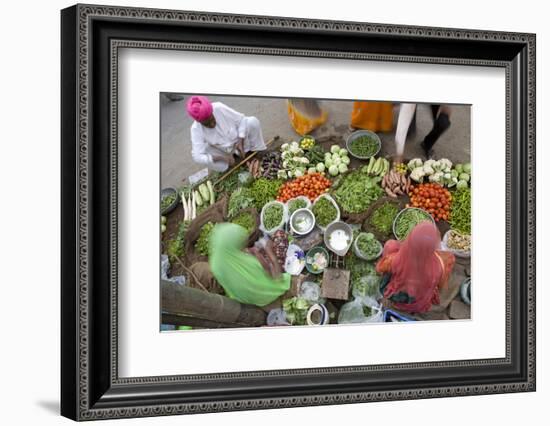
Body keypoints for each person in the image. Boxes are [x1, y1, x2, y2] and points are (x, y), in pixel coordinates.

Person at [375, 222, 455, 313]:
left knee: (391, 245)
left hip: (399, 297)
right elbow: (440, 286)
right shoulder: (441, 266)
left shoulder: (394, 260)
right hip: (417, 300)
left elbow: (379, 269)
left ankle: (397, 305)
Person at [209, 223, 290, 307]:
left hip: (255, 300)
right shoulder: (250, 264)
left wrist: (252, 253)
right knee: (279, 234)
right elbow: (276, 276)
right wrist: (267, 250)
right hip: (271, 291)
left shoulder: (215, 264)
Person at [186, 96, 266, 172]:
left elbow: (241, 120)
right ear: (199, 122)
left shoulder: (219, 107)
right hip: (223, 151)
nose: (211, 124)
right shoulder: (196, 129)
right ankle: (229, 164)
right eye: (206, 124)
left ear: (212, 112)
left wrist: (240, 140)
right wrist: (222, 158)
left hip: (238, 142)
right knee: (205, 151)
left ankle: (255, 151)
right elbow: (197, 156)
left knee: (252, 122)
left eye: (212, 119)